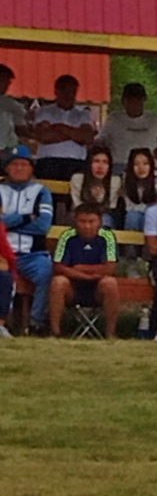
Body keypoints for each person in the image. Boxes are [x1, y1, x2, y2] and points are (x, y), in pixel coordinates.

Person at [46, 203, 124, 338]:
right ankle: (55, 332)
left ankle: (110, 334)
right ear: (75, 222)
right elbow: (58, 266)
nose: (87, 226)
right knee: (58, 282)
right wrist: (85, 275)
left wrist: (80, 268)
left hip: (97, 289)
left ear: (100, 222)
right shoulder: (67, 236)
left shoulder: (108, 236)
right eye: (82, 221)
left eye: (91, 221)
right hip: (73, 287)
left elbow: (110, 268)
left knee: (110, 283)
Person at [3, 146, 57, 332]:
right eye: (15, 164)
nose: (19, 168)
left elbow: (43, 226)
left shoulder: (41, 192)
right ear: (6, 168)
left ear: (31, 168)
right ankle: (2, 323)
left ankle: (36, 324)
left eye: (24, 164)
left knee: (47, 273)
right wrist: (26, 217)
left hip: (32, 255)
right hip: (2, 252)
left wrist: (7, 222)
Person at [26, 74, 96, 181]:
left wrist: (59, 127)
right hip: (48, 163)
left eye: (72, 91)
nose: (69, 95)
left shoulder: (83, 114)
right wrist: (75, 133)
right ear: (56, 91)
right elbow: (44, 137)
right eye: (65, 90)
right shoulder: (44, 111)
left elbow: (87, 138)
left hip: (76, 163)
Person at [98, 83, 157, 175]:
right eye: (131, 100)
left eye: (138, 100)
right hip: (119, 165)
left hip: (146, 167)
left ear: (144, 101)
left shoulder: (156, 119)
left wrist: (156, 158)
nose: (135, 104)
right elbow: (101, 139)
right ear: (124, 102)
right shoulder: (114, 118)